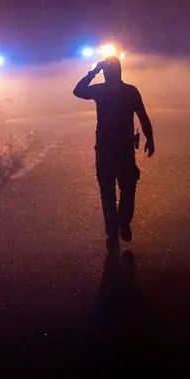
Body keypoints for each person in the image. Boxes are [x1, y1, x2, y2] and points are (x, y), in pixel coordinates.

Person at [73, 56, 155, 250]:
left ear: (106, 72)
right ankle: (122, 223)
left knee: (108, 190)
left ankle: (113, 228)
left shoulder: (101, 91)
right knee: (127, 188)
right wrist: (150, 139)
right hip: (123, 149)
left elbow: (78, 90)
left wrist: (94, 71)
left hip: (107, 149)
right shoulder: (129, 91)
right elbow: (143, 117)